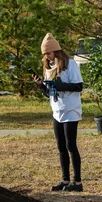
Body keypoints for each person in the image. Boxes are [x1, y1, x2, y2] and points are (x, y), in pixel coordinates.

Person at [31, 33, 84, 192]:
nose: (46, 57)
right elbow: (49, 93)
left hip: (71, 109)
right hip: (57, 111)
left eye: (48, 53)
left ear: (56, 51)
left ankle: (78, 182)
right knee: (61, 146)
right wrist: (41, 85)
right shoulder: (49, 68)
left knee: (71, 145)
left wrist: (59, 85)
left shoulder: (71, 65)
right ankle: (65, 179)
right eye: (45, 55)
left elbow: (79, 87)